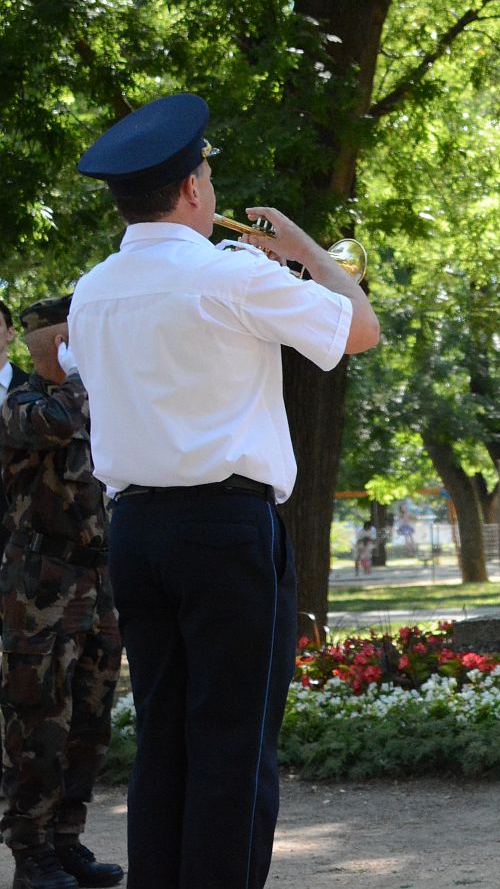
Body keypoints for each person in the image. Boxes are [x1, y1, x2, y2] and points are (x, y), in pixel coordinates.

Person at [68, 92, 381, 889]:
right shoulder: (232, 274)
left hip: (136, 527)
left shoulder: (92, 289)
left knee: (165, 738)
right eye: (206, 169)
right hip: (225, 527)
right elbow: (360, 328)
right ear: (192, 189)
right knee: (234, 747)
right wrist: (306, 248)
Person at [0, 296, 124, 889]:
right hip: (39, 587)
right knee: (38, 721)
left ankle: (66, 839)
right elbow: (57, 423)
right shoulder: (20, 403)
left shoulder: (99, 401)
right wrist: (79, 376)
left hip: (98, 582)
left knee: (89, 720)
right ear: (54, 347)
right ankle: (31, 854)